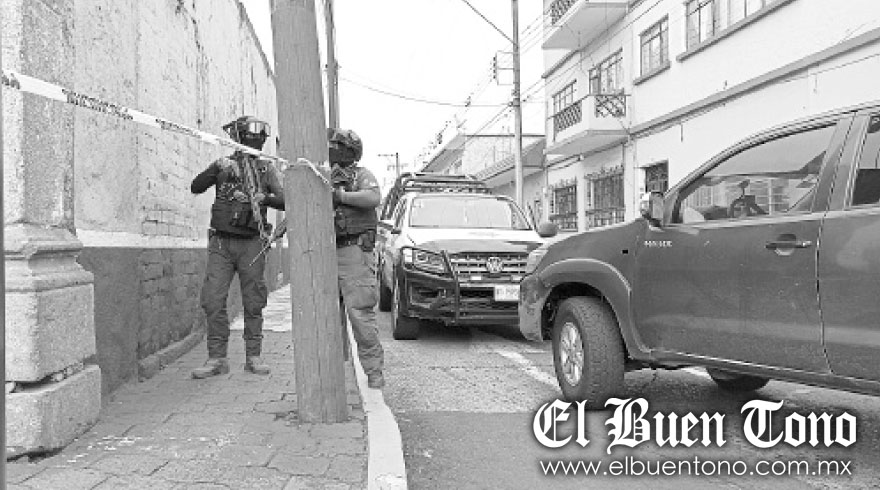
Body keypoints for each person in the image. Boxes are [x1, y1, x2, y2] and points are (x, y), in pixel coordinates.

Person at [190, 116, 285, 378]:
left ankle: (253, 356)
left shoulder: (266, 169)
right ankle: (217, 358)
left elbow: (285, 199)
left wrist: (264, 197)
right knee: (212, 300)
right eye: (253, 134)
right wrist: (215, 169)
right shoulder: (224, 165)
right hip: (221, 243)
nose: (258, 138)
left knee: (254, 301)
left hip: (252, 244)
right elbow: (196, 186)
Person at [329, 128, 386, 389]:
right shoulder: (324, 175)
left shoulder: (361, 175)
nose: (334, 150)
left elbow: (373, 197)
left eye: (338, 146)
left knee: (360, 315)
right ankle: (335, 372)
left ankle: (374, 371)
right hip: (325, 252)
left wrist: (340, 196)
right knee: (328, 317)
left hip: (354, 252)